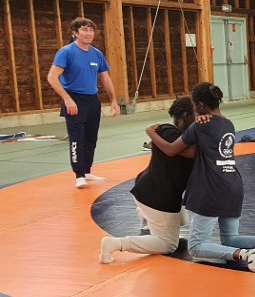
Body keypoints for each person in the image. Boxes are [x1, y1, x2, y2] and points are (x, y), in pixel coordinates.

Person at [146, 82, 255, 273]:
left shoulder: (200, 126)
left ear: (200, 105)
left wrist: (151, 132)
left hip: (211, 189)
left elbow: (171, 150)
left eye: (194, 105)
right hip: (233, 185)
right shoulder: (228, 124)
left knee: (196, 246)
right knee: (230, 238)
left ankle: (246, 254)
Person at [100, 98, 196, 263]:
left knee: (183, 219)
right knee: (168, 244)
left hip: (145, 188)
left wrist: (151, 131)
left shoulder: (166, 130)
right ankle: (115, 244)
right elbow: (179, 150)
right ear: (186, 116)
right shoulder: (178, 139)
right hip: (157, 199)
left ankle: (144, 216)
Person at [46, 17, 121, 188]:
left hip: (92, 100)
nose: (89, 33)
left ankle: (87, 170)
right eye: (84, 30)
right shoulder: (66, 52)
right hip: (74, 99)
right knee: (77, 139)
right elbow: (52, 77)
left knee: (91, 138)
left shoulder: (97, 54)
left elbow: (105, 78)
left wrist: (113, 100)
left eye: (91, 30)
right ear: (75, 32)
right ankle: (79, 175)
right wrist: (67, 99)